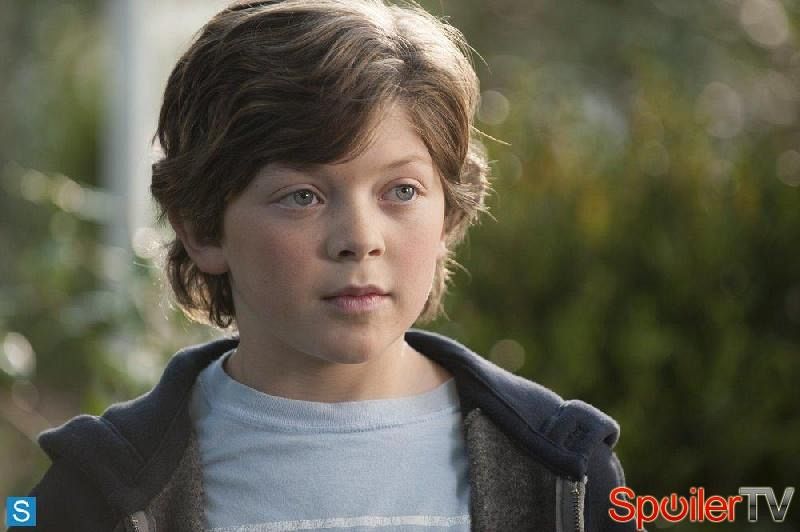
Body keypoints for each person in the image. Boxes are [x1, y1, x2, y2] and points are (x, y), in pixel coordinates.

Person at [16, 1, 635, 530]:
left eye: (401, 191)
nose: (360, 240)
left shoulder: (565, 471)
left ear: (448, 215)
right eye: (303, 196)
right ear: (202, 228)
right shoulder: (95, 489)